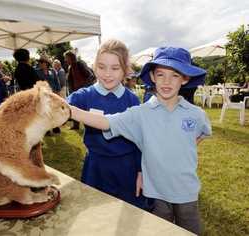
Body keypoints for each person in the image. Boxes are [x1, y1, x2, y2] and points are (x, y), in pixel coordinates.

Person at [69, 47, 211, 235]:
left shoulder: (196, 114)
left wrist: (181, 150)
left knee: (189, 229)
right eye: (161, 74)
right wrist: (71, 111)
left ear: (185, 78)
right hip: (155, 190)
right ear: (152, 76)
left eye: (175, 75)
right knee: (158, 228)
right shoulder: (140, 113)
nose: (167, 81)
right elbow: (106, 122)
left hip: (187, 191)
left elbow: (200, 134)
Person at [67, 39, 153, 211]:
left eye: (115, 68)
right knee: (95, 212)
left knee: (129, 214)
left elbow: (140, 140)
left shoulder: (132, 100)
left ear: (125, 70)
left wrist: (140, 171)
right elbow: (61, 108)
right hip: (96, 166)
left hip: (127, 167)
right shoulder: (84, 95)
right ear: (94, 66)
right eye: (101, 67)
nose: (107, 74)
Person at [64, 50, 95, 130]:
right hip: (75, 92)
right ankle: (76, 125)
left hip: (84, 92)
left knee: (85, 110)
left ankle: (89, 126)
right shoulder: (70, 67)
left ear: (71, 58)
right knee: (75, 109)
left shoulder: (80, 64)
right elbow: (71, 81)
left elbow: (90, 76)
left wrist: (84, 90)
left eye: (66, 58)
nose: (65, 60)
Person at [36, 55, 61, 134]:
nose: (40, 64)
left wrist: (58, 91)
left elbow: (57, 81)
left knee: (53, 111)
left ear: (46, 63)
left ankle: (55, 127)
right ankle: (46, 130)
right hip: (42, 95)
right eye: (39, 62)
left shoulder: (52, 71)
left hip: (52, 94)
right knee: (45, 112)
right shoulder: (36, 71)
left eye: (41, 62)